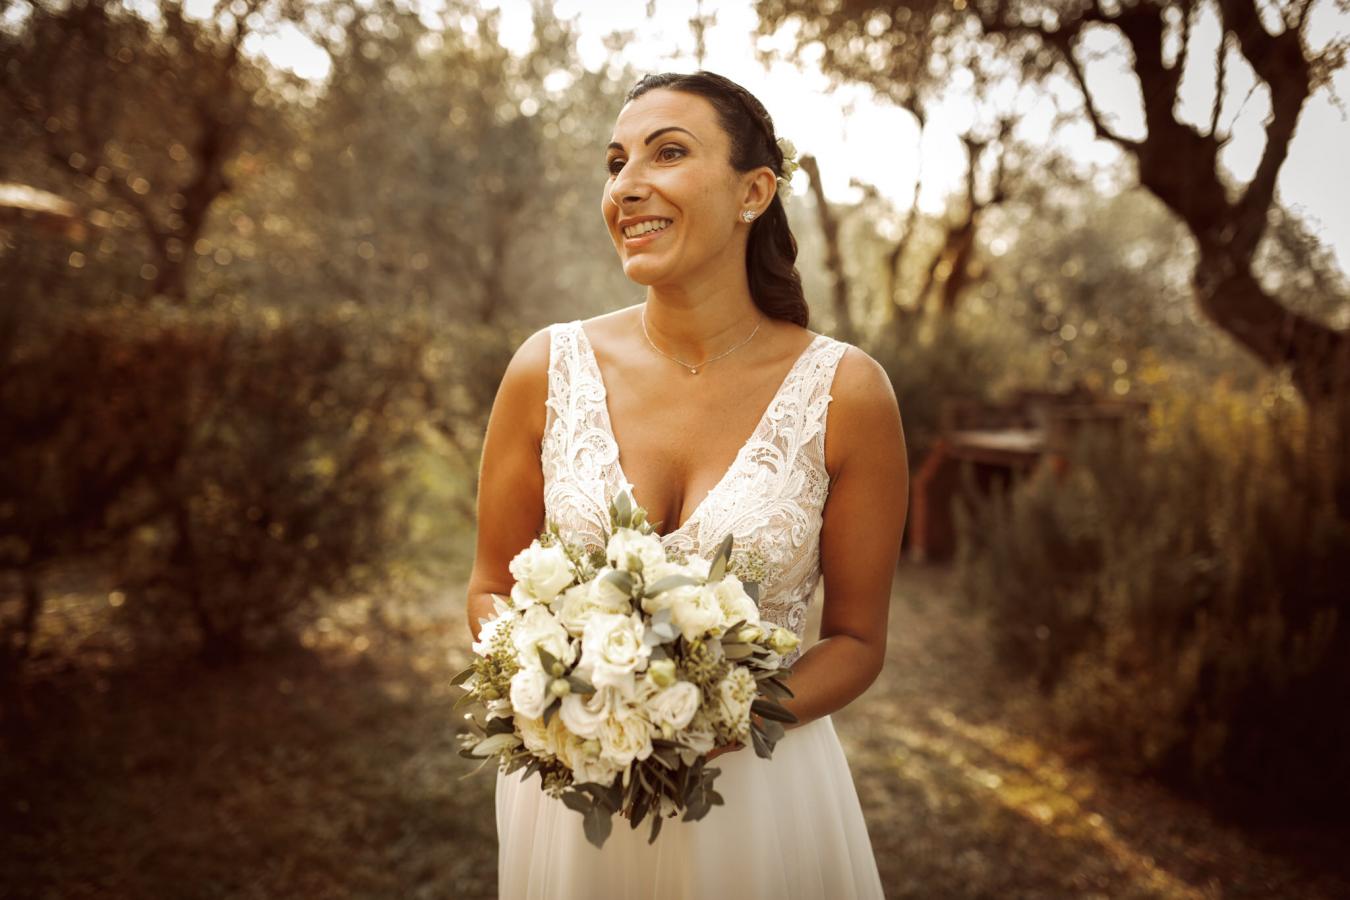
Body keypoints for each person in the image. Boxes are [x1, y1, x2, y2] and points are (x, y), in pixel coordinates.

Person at [465, 69, 908, 899]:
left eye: (667, 154)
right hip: (571, 796)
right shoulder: (545, 369)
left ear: (754, 192)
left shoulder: (848, 393)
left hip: (761, 801)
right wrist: (566, 687)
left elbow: (855, 642)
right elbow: (492, 586)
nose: (627, 187)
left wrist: (719, 717)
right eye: (615, 162)